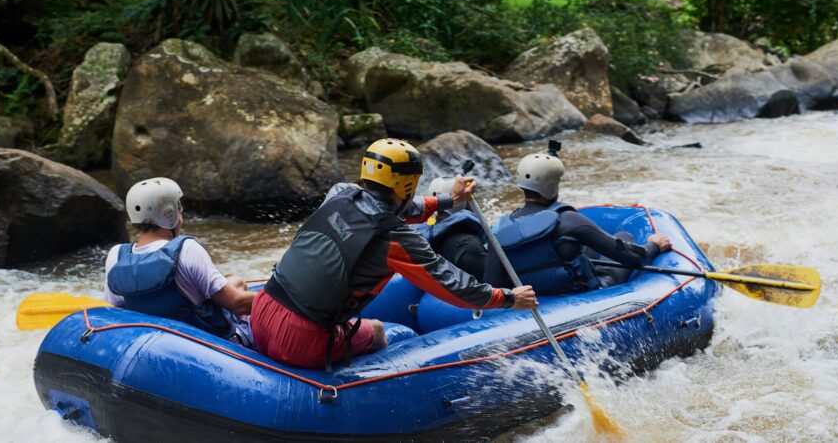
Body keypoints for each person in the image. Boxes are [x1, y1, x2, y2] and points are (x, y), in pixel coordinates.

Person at [251, 138, 538, 370]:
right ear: (408, 183)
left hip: (261, 311)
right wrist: (509, 298)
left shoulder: (339, 193)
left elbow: (393, 207)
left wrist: (450, 199)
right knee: (378, 331)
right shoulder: (395, 239)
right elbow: (450, 285)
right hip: (300, 341)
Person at [484, 142, 671, 294]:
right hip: (579, 295)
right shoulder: (570, 221)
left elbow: (493, 284)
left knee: (579, 247)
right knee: (624, 236)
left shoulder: (499, 230)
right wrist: (654, 245)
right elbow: (633, 258)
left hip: (532, 299)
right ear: (552, 186)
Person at [103, 177, 258, 347]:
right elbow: (237, 304)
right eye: (179, 208)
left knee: (237, 282)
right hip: (214, 344)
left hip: (156, 344)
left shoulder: (116, 255)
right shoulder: (187, 249)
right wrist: (276, 302)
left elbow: (117, 310)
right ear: (169, 214)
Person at [414, 177, 487, 280]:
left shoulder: (428, 236)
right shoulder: (468, 245)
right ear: (462, 203)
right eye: (470, 198)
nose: (473, 204)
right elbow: (493, 285)